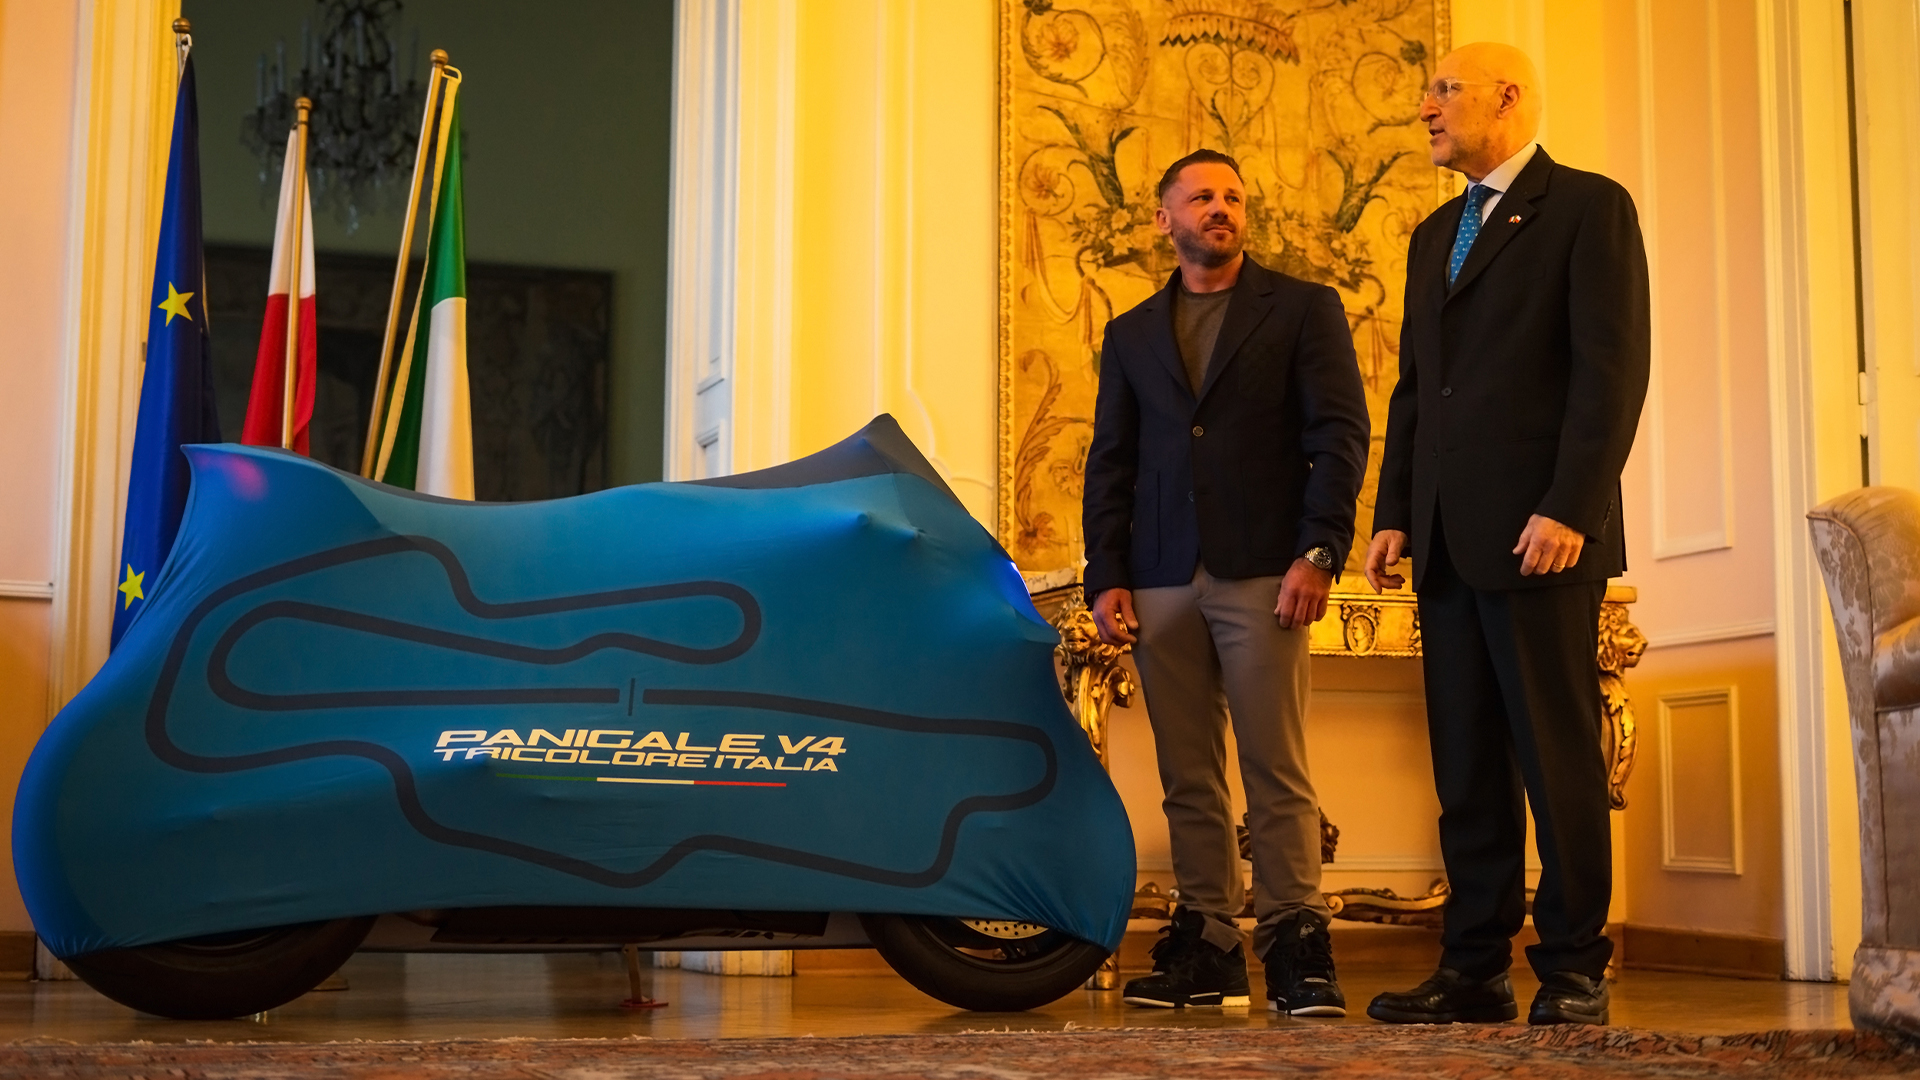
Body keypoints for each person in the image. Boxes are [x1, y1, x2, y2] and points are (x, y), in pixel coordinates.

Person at [1363, 43, 1650, 1026]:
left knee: (1555, 759)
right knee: (1468, 768)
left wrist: (1572, 505)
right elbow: (1417, 390)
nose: (1426, 107)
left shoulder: (1588, 207)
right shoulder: (1433, 234)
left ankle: (1573, 968)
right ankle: (1472, 970)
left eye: (1445, 89)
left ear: (1507, 97)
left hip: (1543, 535)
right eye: (1427, 91)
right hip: (1447, 541)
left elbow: (1610, 372)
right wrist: (1394, 512)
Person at [1083, 148, 1369, 1015]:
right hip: (1161, 575)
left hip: (1267, 570)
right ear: (1164, 219)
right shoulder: (1131, 332)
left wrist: (1319, 553)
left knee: (1276, 765)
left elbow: (1339, 436)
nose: (1221, 208)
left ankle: (1296, 943)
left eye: (1234, 197)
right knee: (1187, 774)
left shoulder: (1303, 308)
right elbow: (1112, 461)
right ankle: (1207, 944)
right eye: (1202, 197)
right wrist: (1107, 573)